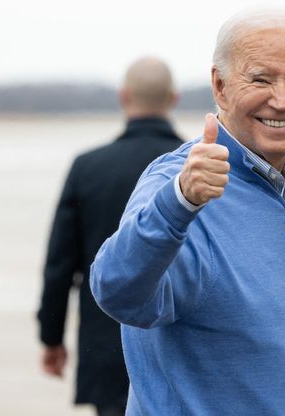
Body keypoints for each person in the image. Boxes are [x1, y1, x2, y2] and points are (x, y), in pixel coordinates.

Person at [90, 9, 285, 415]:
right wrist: (180, 202)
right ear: (220, 87)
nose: (281, 98)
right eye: (260, 78)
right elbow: (117, 292)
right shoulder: (180, 183)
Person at [37, 56, 183, 416]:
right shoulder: (202, 167)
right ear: (173, 99)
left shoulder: (88, 166)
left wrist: (51, 338)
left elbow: (60, 264)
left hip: (106, 346)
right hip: (180, 349)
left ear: (123, 97)